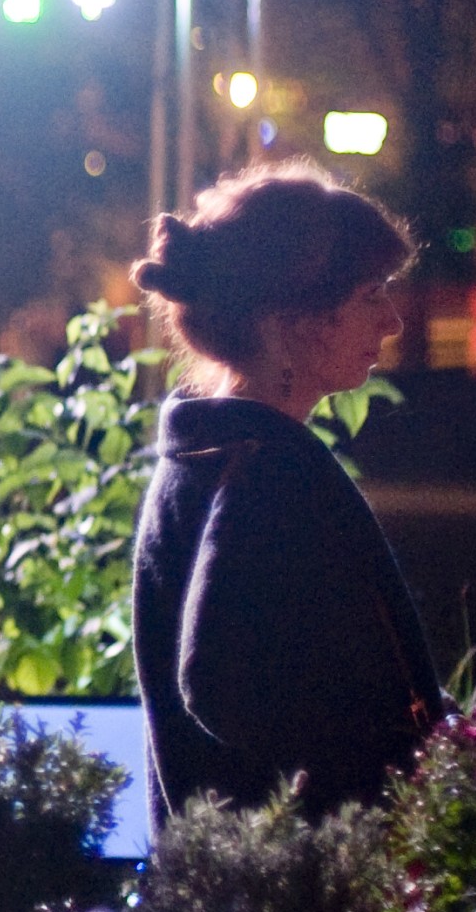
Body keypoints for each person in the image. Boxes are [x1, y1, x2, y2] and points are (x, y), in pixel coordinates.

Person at [129, 163, 446, 823]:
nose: (390, 320)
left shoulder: (208, 451)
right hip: (295, 899)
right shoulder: (267, 468)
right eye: (369, 294)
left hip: (235, 888)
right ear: (294, 318)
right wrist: (375, 772)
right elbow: (220, 686)